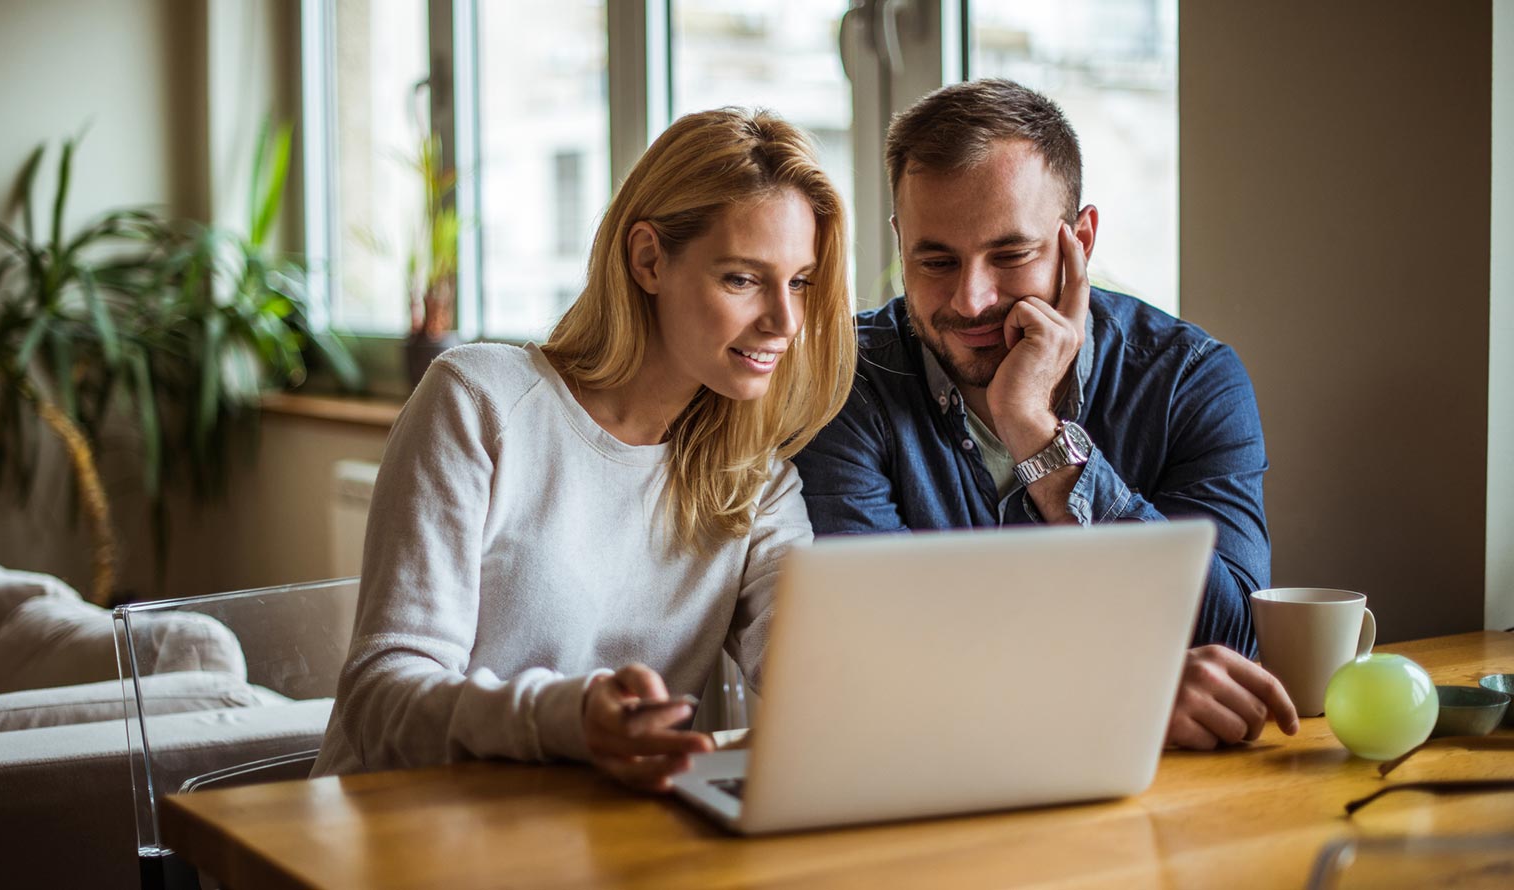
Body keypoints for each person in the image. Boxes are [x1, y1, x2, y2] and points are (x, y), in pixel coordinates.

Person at [313, 109, 856, 790]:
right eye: (743, 279)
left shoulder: (756, 479)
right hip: (397, 833)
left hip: (593, 840)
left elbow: (806, 668)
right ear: (649, 259)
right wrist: (565, 720)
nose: (785, 321)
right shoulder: (480, 402)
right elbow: (378, 699)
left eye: (800, 281)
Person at [792, 79, 1299, 751]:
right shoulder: (843, 379)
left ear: (1078, 239)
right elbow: (873, 654)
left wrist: (1036, 431)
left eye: (1010, 255)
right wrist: (1123, 691)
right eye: (936, 259)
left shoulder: (1190, 380)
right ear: (899, 241)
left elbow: (1231, 641)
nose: (971, 300)